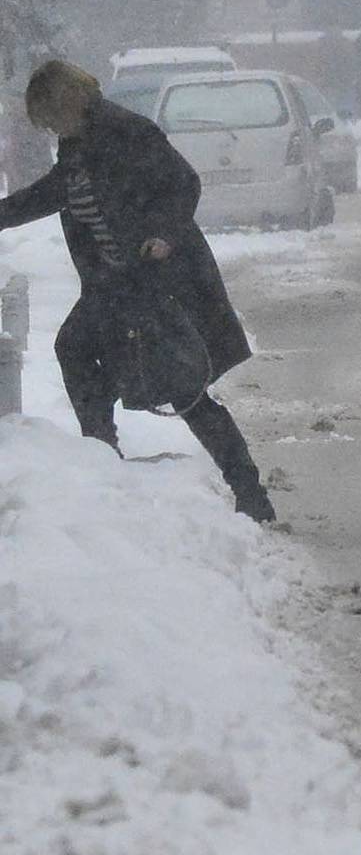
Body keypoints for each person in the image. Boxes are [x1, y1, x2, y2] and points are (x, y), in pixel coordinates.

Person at [0, 59, 275, 521]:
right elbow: (54, 193)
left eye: (49, 117)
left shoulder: (128, 132)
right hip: (112, 285)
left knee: (185, 391)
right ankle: (103, 459)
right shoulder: (75, 145)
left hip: (158, 282)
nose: (48, 129)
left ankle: (251, 493)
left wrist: (164, 235)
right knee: (74, 348)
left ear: (68, 102)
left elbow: (183, 183)